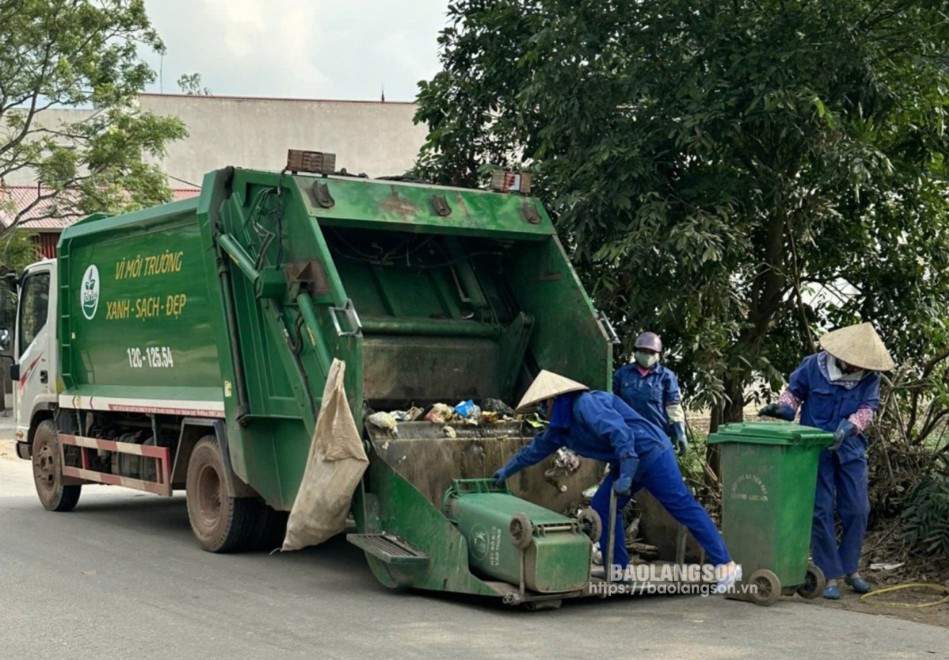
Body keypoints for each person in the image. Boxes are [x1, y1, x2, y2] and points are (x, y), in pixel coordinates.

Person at [494, 369, 741, 591]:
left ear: (554, 399)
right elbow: (534, 450)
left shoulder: (585, 404)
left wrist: (627, 471)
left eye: (542, 404)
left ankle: (726, 566)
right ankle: (619, 570)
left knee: (682, 505)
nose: (540, 411)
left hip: (650, 452)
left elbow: (619, 433)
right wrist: (507, 470)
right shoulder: (560, 428)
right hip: (628, 460)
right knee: (602, 508)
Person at [759, 322, 894, 599]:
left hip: (850, 448)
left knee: (857, 509)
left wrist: (851, 426)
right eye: (853, 363)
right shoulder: (813, 366)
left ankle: (851, 570)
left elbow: (869, 408)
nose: (858, 367)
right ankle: (828, 574)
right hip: (814, 449)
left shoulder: (870, 377)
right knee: (819, 509)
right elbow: (793, 394)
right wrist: (783, 408)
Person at [612, 331, 688, 456]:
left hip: (657, 436)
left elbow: (673, 406)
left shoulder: (666, 376)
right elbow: (613, 404)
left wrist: (680, 433)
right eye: (643, 351)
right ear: (636, 352)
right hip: (628, 436)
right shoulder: (622, 375)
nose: (647, 355)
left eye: (651, 352)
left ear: (658, 354)